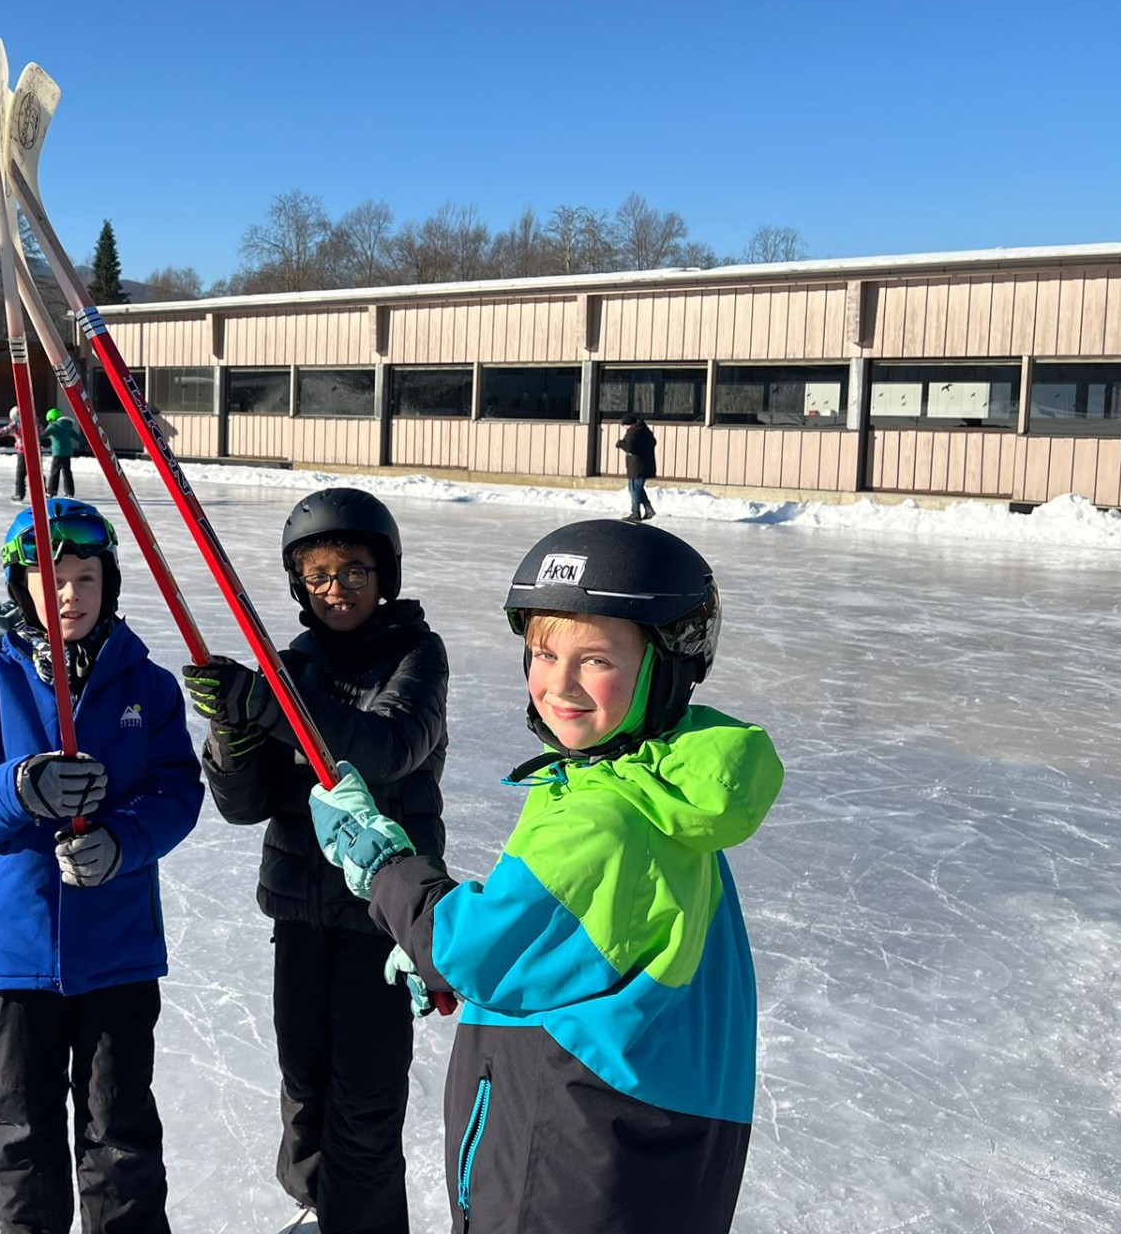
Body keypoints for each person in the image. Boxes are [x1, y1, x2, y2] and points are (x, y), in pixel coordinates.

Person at [305, 519, 784, 1234]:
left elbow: (464, 950)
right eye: (542, 651)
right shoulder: (667, 798)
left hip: (568, 1160)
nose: (559, 683)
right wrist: (478, 955)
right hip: (644, 1163)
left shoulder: (604, 818)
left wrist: (381, 864)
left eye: (595, 660)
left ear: (667, 662)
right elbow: (579, 950)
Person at [182, 488, 446, 1234]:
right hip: (300, 909)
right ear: (299, 583)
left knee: (364, 1098)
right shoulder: (291, 663)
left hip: (382, 914)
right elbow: (246, 803)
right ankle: (316, 1206)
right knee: (304, 1088)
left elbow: (387, 749)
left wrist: (268, 699)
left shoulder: (417, 655)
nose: (337, 591)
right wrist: (232, 731)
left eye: (354, 573)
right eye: (320, 576)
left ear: (383, 574)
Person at [0, 498, 203, 1234]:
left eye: (86, 579)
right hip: (18, 950)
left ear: (108, 585)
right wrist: (21, 787)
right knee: (23, 1133)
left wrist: (123, 841)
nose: (69, 597)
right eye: (51, 580)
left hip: (118, 947)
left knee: (121, 1131)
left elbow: (178, 790)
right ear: (20, 587)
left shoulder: (145, 685)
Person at [617, 413, 658, 521]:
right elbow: (653, 442)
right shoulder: (644, 430)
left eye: (624, 425)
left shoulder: (633, 432)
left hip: (637, 465)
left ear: (627, 424)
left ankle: (635, 512)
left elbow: (631, 448)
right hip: (644, 464)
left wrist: (620, 444)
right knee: (636, 488)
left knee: (634, 489)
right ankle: (648, 509)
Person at [41, 408, 79, 497]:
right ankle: (70, 492)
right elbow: (76, 436)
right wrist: (85, 443)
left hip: (58, 453)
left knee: (54, 472)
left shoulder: (53, 426)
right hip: (67, 452)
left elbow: (42, 435)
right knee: (67, 472)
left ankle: (51, 491)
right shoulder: (67, 426)